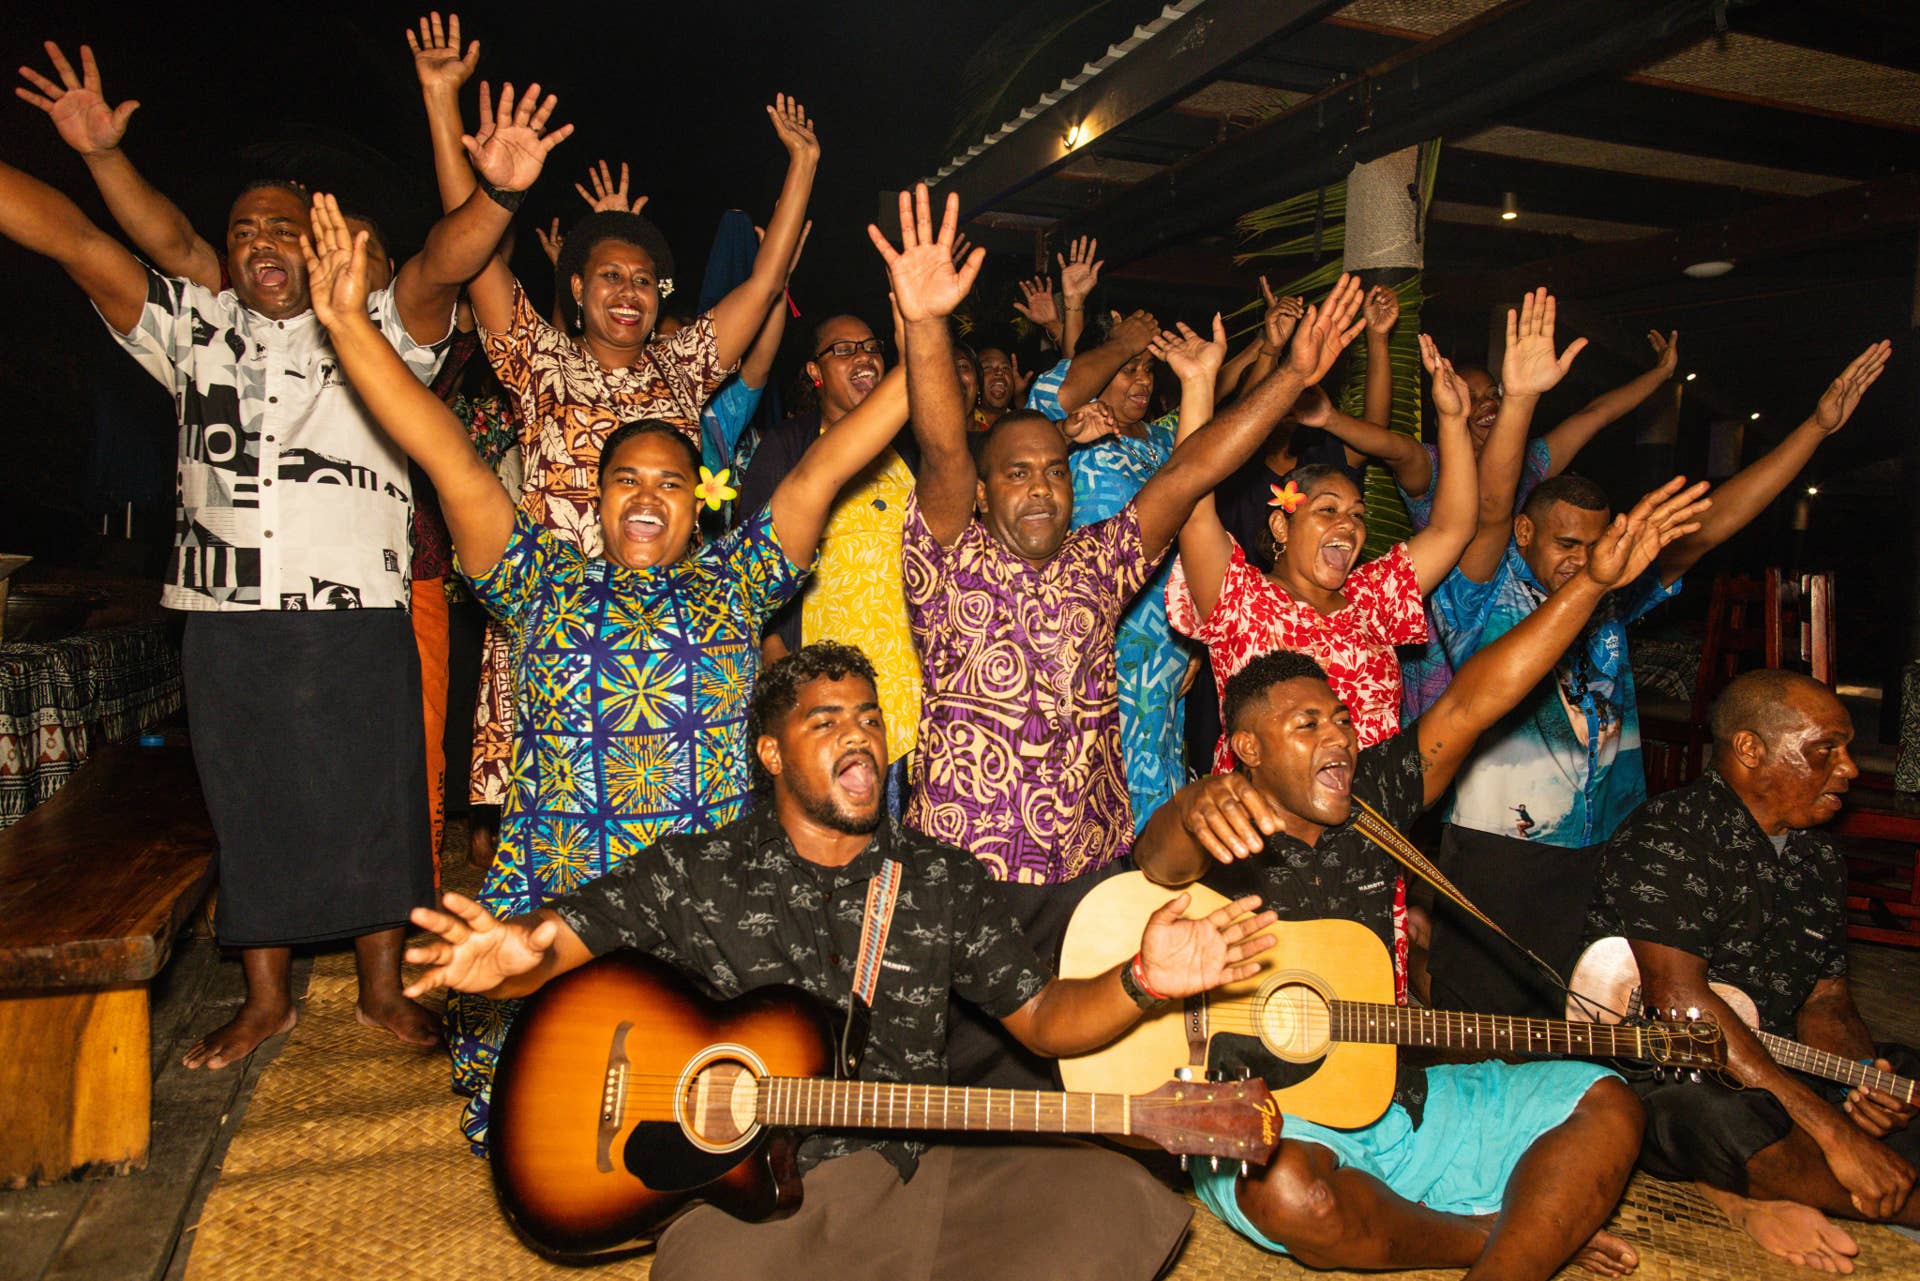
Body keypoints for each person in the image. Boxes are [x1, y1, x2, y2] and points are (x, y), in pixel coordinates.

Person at [290, 184, 920, 1150]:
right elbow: (440, 445)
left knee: (735, 1116)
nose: (646, 497)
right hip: (558, 892)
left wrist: (924, 332)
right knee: (549, 1135)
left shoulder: (737, 580)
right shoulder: (539, 576)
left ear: (695, 507)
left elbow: (827, 468)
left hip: (698, 901)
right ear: (598, 494)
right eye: (626, 478)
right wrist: (346, 324)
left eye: (672, 482)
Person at [3, 28, 574, 1068]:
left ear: (320, 246)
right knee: (247, 800)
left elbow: (446, 261)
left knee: (382, 803)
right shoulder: (195, 329)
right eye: (244, 229)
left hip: (360, 612)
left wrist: (495, 198)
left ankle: (380, 990)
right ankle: (264, 1002)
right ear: (225, 255)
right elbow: (83, 244)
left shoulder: (378, 329)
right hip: (227, 621)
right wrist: (91, 155)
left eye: (285, 225)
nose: (264, 239)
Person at [399, 642, 1278, 1281]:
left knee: (1115, 1201)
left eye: (869, 717)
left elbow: (1045, 1016)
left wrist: (1143, 978)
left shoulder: (934, 877)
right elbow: (561, 937)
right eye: (826, 721)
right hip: (749, 1203)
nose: (858, 736)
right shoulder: (698, 867)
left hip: (911, 1167)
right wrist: (515, 954)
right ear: (772, 753)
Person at [1133, 474, 1714, 1280]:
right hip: (1270, 1124)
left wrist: (1592, 583)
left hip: (1400, 1102)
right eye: (1308, 724)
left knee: (1610, 1100)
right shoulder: (1221, 818)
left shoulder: (1375, 796)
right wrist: (1193, 805)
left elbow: (1476, 698)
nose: (1339, 734)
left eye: (1341, 717)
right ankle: (1488, 1235)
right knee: (1293, 1194)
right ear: (1249, 750)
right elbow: (1157, 859)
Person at [876, 183, 1368, 1083]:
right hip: (965, 878)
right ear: (985, 493)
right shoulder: (944, 552)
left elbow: (1191, 469)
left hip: (1088, 878)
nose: (1038, 488)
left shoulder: (1101, 561)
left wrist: (1294, 375)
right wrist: (923, 323)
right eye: (1015, 473)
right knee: (956, 1095)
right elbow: (945, 444)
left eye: (1055, 471)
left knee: (1083, 1093)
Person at [1425, 337, 1893, 1020]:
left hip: (1609, 841)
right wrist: (1520, 401)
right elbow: (1492, 506)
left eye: (1594, 543)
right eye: (1566, 544)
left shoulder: (1610, 593)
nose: (1582, 560)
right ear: (1527, 532)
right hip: (1502, 853)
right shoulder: (1480, 596)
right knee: (1483, 1032)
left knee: (1595, 1029)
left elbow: (1717, 521)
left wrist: (1815, 429)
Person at [1588, 669, 1920, 1269]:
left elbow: (1826, 1001)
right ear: (1749, 749)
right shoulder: (1668, 834)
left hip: (1779, 1061)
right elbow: (1683, 1006)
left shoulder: (1817, 853)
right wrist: (1834, 1131)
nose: (1849, 768)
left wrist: (1855, 1083)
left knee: (1905, 1074)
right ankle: (1896, 1201)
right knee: (1711, 1118)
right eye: (1827, 750)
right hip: (1672, 1068)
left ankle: (1836, 1175)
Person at [1161, 320, 1475, 763]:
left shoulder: (1373, 598)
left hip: (1368, 822)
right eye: (1328, 509)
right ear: (1282, 528)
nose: (1348, 525)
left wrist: (1454, 420)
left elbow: (1453, 529)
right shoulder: (1244, 599)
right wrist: (1196, 386)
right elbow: (1192, 509)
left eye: (1357, 515)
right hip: (1264, 825)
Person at [735, 312, 924, 811]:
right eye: (843, 350)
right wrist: (777, 666)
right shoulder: (787, 448)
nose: (863, 355)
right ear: (815, 374)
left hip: (911, 703)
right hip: (826, 703)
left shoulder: (911, 448)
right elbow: (752, 570)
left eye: (870, 346)